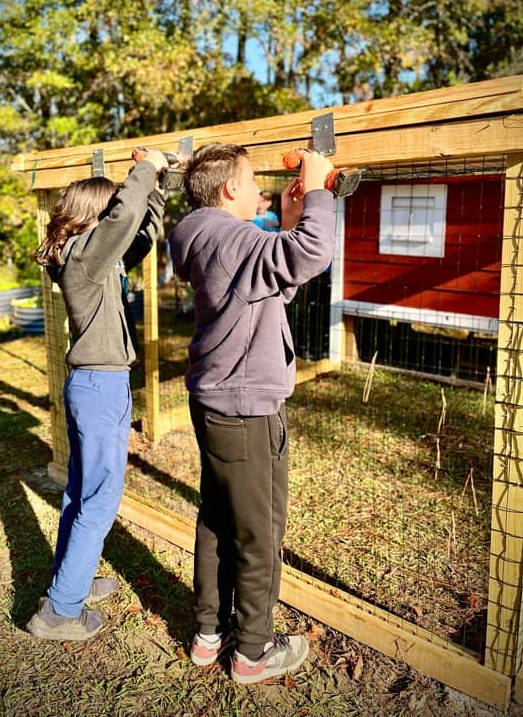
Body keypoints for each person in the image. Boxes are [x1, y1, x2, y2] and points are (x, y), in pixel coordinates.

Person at [168, 143, 335, 684]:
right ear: (229, 188)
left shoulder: (200, 233)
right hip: (244, 410)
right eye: (252, 179)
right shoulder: (232, 237)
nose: (261, 189)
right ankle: (253, 654)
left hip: (215, 402)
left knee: (218, 518)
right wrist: (316, 190)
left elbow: (268, 287)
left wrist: (285, 222)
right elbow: (311, 253)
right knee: (260, 532)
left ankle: (208, 634)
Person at [27, 150, 167, 641]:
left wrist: (157, 188)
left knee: (80, 494)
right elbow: (124, 215)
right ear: (94, 217)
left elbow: (140, 234)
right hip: (99, 386)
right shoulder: (86, 259)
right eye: (107, 215)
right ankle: (60, 612)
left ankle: (72, 580)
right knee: (101, 501)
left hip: (95, 384)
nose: (115, 223)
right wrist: (144, 168)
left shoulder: (92, 260)